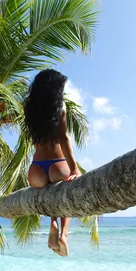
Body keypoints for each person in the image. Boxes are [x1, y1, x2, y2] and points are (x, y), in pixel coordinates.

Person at [23, 69, 81, 257]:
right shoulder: (60, 109)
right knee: (65, 198)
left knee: (48, 195)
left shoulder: (29, 109)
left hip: (36, 169)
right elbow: (63, 139)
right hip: (57, 164)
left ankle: (53, 223)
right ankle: (63, 234)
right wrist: (74, 168)